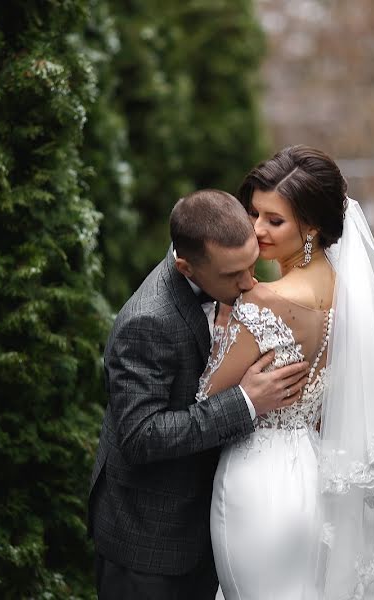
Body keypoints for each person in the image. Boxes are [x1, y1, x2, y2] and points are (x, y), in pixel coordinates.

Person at [199, 146, 374, 599]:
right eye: (254, 213)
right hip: (313, 476)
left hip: (256, 480)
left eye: (273, 220)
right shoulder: (346, 293)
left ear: (312, 228)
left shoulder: (262, 302)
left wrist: (221, 321)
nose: (257, 229)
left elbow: (205, 399)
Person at [87, 189, 311, 600]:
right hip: (147, 545)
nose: (250, 283)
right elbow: (140, 436)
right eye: (233, 276)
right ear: (186, 267)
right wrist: (245, 401)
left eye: (251, 264)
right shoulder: (147, 322)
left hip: (202, 532)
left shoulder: (220, 271)